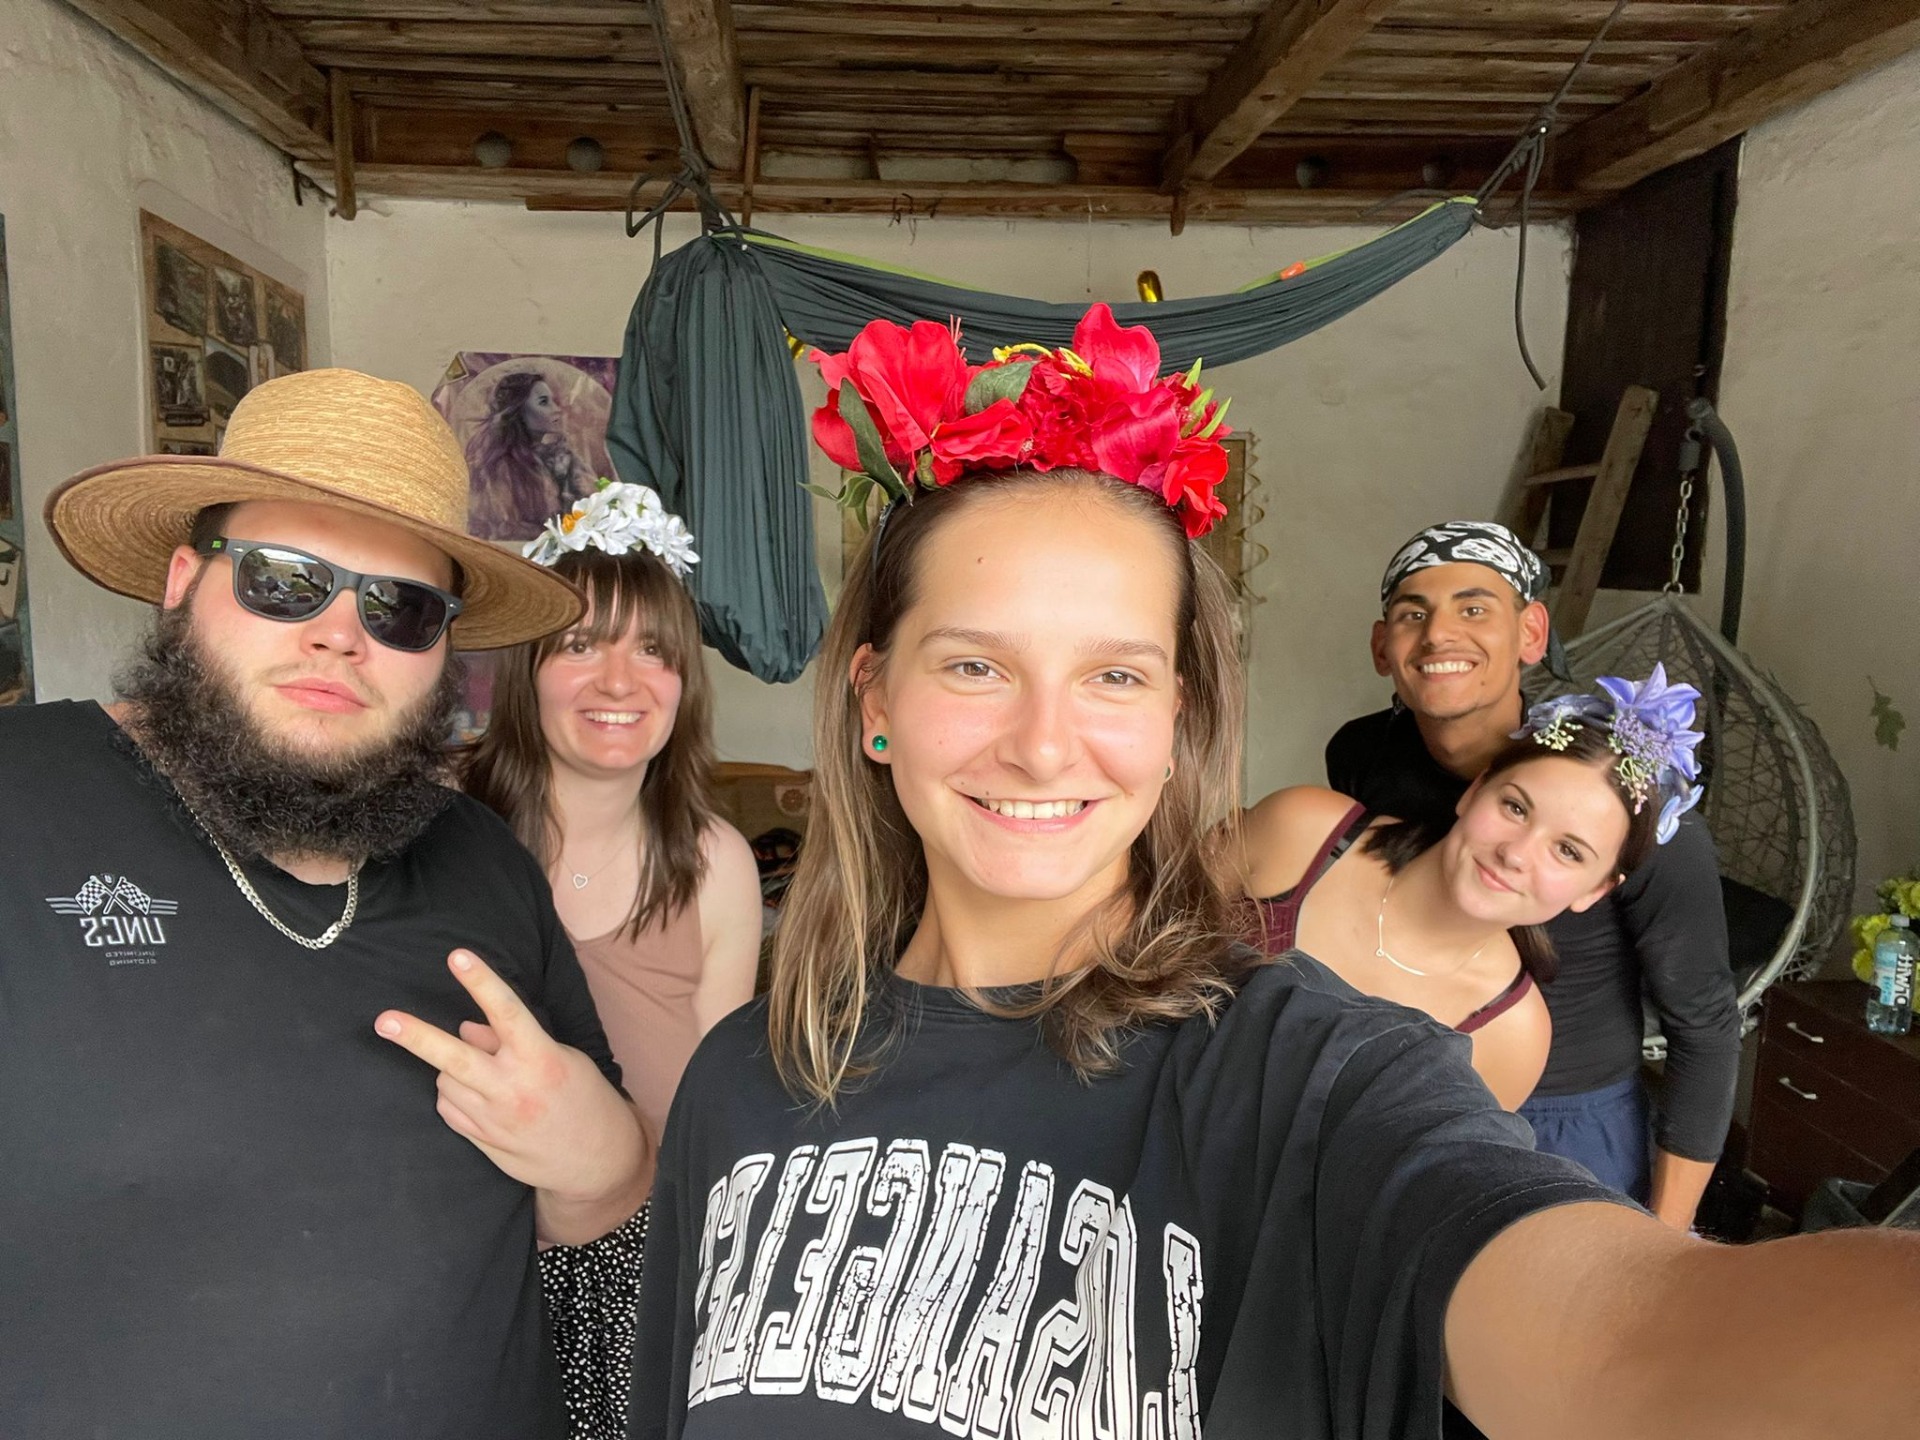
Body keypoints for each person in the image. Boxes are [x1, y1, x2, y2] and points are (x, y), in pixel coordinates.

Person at [627, 308, 1920, 1440]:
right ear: (874, 700)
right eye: (975, 665)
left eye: (1114, 675)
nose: (1043, 742)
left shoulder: (1316, 1085)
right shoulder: (742, 1082)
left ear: (1178, 718)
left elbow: (1632, 1347)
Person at [1, 369, 651, 1438]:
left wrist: (602, 1160)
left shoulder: (481, 856)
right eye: (284, 580)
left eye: (400, 608)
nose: (341, 635)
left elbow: (606, 1194)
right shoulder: (19, 796)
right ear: (182, 581)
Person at [1326, 520, 1740, 1225]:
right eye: (1413, 614)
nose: (1439, 635)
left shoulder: (1627, 809)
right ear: (1381, 647)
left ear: (1532, 633)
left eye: (1474, 608)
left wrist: (1664, 1236)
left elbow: (1704, 1027)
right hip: (1394, 1091)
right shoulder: (1362, 756)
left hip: (1562, 1124)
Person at [464, 480, 763, 1439]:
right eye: (582, 644)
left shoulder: (713, 863)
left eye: (654, 651)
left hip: (635, 1277)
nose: (620, 682)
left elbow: (723, 1122)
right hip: (460, 1269)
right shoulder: (441, 825)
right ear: (528, 666)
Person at [1239, 672, 1689, 1109]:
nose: (1516, 854)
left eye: (1568, 851)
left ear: (1595, 890)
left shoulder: (1512, 1036)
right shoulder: (1302, 832)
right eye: (1515, 808)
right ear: (1475, 791)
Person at [467, 370, 596, 539]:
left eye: (553, 401)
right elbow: (505, 529)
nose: (556, 410)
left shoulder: (562, 457)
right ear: (518, 410)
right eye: (543, 402)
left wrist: (565, 481)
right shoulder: (501, 469)